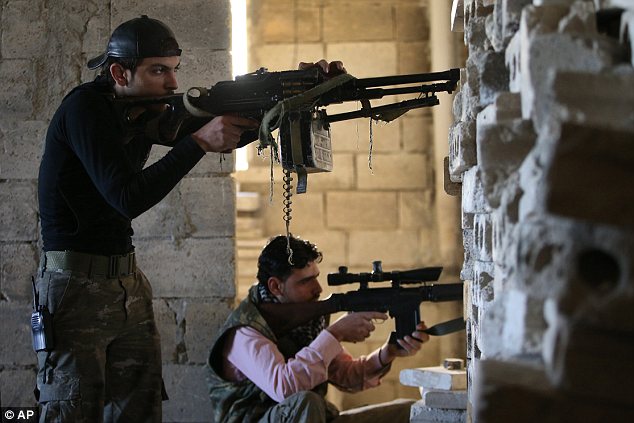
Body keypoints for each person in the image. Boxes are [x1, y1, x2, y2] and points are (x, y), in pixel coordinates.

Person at [35, 14, 343, 422]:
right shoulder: (86, 111)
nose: (173, 84)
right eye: (159, 71)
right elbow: (126, 197)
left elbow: (225, 126)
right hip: (73, 288)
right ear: (118, 72)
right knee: (70, 411)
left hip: (125, 282)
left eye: (174, 70)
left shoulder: (139, 110)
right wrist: (199, 142)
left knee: (140, 409)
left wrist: (298, 93)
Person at [206, 235, 431, 423]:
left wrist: (388, 353)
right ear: (275, 286)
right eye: (305, 282)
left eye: (316, 277)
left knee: (408, 411)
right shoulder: (245, 332)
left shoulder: (306, 323)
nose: (318, 288)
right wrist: (336, 333)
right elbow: (285, 387)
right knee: (306, 402)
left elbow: (346, 376)